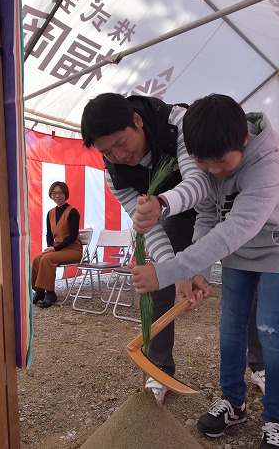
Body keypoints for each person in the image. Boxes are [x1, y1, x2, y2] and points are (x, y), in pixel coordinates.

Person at [132, 94, 279, 449]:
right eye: (203, 163)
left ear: (243, 140)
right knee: (230, 324)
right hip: (241, 248)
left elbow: (236, 228)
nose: (213, 171)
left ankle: (277, 419)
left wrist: (168, 271)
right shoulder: (213, 160)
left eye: (221, 163)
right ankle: (233, 401)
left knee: (270, 326)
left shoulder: (269, 166)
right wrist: (196, 268)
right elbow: (210, 216)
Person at [81, 92, 211, 403]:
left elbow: (200, 181)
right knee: (159, 284)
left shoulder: (177, 122)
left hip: (217, 209)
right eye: (107, 152)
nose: (119, 156)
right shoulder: (114, 174)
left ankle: (258, 364)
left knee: (242, 281)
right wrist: (172, 270)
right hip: (174, 216)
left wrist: (163, 204)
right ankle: (159, 368)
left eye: (121, 143)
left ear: (137, 121)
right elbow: (146, 227)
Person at [32, 181, 83, 308]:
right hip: (58, 249)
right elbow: (49, 234)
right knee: (38, 258)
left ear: (65, 194)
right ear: (51, 195)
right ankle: (39, 291)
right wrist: (50, 247)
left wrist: (54, 249)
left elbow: (72, 237)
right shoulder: (50, 213)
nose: (57, 196)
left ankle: (50, 293)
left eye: (60, 193)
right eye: (54, 193)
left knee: (47, 258)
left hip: (72, 250)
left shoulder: (73, 212)